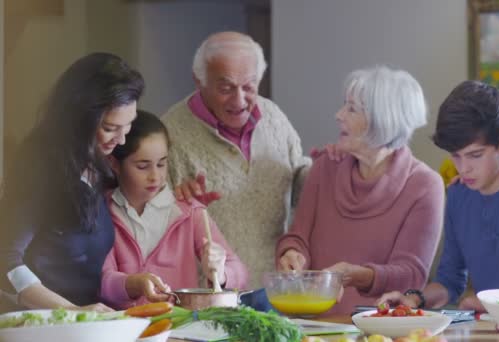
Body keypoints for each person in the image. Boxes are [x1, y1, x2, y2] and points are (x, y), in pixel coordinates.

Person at [377, 80, 499, 312]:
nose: (463, 168)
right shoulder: (459, 195)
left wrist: (484, 304)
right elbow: (450, 281)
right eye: (456, 156)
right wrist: (415, 298)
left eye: (475, 155)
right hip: (491, 330)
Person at [275, 66, 445, 315]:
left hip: (380, 327)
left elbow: (412, 275)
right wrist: (291, 253)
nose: (338, 115)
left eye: (351, 109)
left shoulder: (424, 184)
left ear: (382, 121)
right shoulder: (324, 167)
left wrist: (357, 276)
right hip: (312, 325)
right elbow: (297, 236)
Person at [162, 31, 311, 287]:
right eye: (226, 88)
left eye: (249, 86)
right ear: (199, 81)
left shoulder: (274, 118)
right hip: (210, 297)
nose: (239, 100)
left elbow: (301, 185)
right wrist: (177, 207)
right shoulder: (170, 134)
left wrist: (330, 170)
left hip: (274, 291)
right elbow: (148, 225)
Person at [0, 53, 144, 312]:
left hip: (82, 324)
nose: (121, 140)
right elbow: (6, 261)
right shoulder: (39, 166)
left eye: (128, 126)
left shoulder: (97, 163)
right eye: (111, 128)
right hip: (35, 325)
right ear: (79, 117)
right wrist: (72, 311)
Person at [100, 110, 248, 309]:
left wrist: (220, 273)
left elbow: (240, 271)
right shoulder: (101, 212)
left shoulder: (189, 212)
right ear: (115, 164)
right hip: (127, 332)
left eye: (162, 164)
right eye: (143, 166)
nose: (155, 176)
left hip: (181, 332)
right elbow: (102, 282)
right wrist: (134, 284)